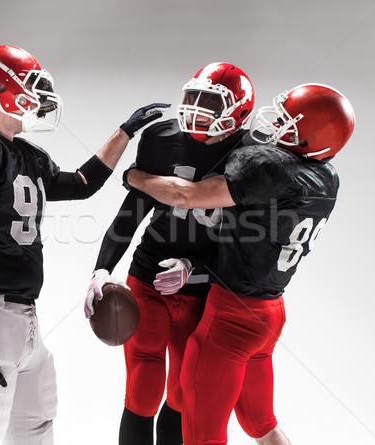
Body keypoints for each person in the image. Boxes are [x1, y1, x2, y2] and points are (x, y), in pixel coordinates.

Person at [0, 44, 168, 445]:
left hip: (25, 322)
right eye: (30, 85)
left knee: (36, 433)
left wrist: (125, 132)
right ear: (0, 87)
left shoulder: (25, 155)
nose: (39, 97)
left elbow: (83, 184)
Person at [125, 83, 356, 445]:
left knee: (204, 435)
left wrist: (133, 177)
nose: (277, 121)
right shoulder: (328, 177)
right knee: (261, 424)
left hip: (230, 318)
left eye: (288, 120)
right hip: (270, 314)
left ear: (311, 136)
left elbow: (184, 196)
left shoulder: (269, 167)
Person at [84, 62, 255, 445]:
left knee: (181, 394)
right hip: (148, 277)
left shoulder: (252, 156)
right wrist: (102, 269)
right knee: (143, 390)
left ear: (239, 111)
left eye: (210, 102)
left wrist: (195, 264)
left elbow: (245, 242)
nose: (195, 108)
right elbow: (132, 212)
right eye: (192, 96)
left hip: (204, 290)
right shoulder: (162, 137)